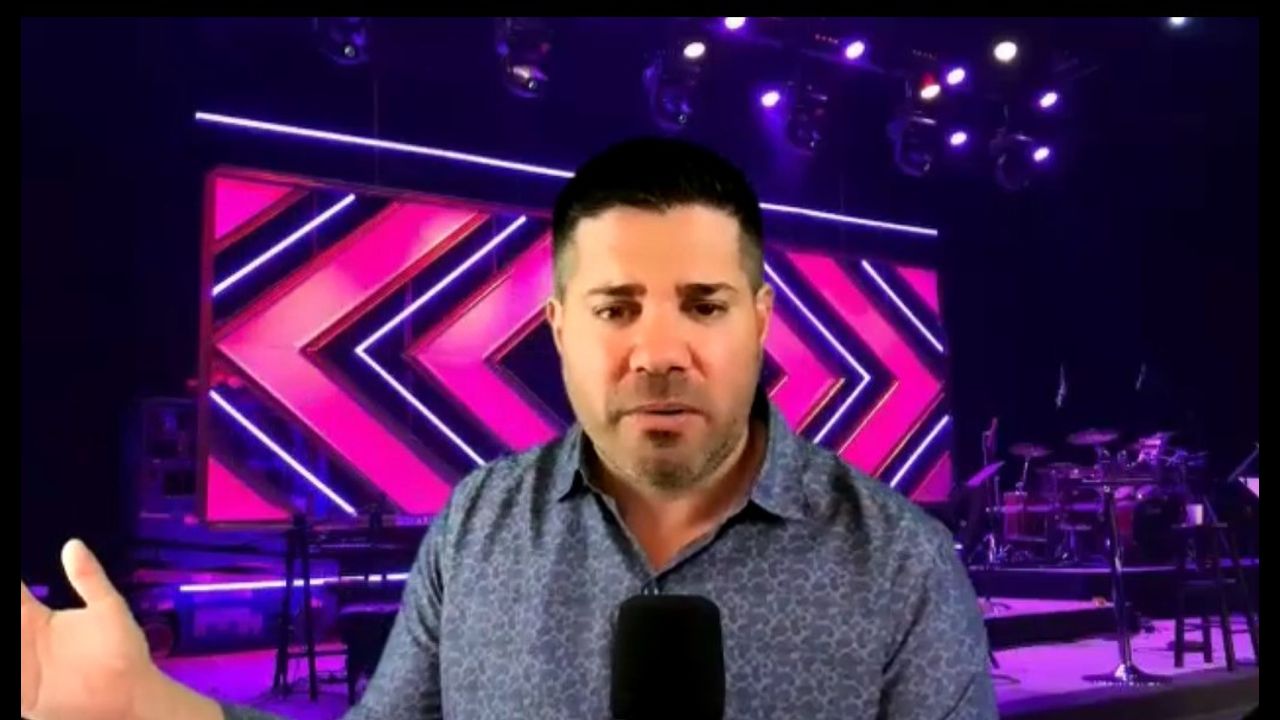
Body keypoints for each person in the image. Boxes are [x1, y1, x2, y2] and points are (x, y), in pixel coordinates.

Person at [20, 137, 995, 719]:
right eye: (616, 308)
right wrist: (155, 710)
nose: (659, 352)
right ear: (561, 328)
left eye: (703, 305)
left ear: (761, 321)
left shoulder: (901, 561)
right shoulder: (476, 527)